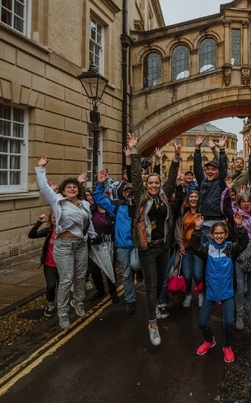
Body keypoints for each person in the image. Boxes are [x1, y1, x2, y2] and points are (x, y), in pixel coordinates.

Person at [127, 134, 180, 346]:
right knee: (150, 285)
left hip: (163, 247)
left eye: (157, 182)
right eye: (151, 182)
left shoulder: (165, 195)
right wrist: (133, 150)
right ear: (146, 184)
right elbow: (134, 175)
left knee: (160, 283)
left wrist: (176, 157)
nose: (155, 185)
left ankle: (157, 303)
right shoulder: (141, 195)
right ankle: (152, 324)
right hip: (147, 248)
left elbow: (172, 179)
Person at [35, 155, 96, 329]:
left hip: (81, 245)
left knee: (80, 276)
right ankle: (62, 312)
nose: (72, 189)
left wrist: (93, 237)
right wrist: (41, 168)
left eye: (75, 187)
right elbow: (45, 188)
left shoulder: (84, 204)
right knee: (67, 279)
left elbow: (88, 222)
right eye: (69, 187)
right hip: (64, 246)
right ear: (63, 191)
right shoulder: (58, 202)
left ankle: (78, 302)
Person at [190, 213, 248, 363]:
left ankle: (227, 345)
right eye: (216, 233)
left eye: (222, 233)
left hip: (227, 292)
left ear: (226, 234)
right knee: (202, 323)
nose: (219, 236)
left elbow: (243, 243)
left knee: (229, 323)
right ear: (211, 234)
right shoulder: (207, 248)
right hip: (210, 292)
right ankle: (209, 340)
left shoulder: (230, 248)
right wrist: (197, 228)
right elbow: (195, 246)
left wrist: (240, 226)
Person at [222, 176, 251, 330]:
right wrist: (228, 190)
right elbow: (225, 207)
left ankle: (250, 311)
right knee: (240, 288)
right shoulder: (235, 216)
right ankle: (239, 314)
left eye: (248, 201)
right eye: (243, 202)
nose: (246, 204)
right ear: (239, 204)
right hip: (240, 255)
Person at [93, 170, 138, 315]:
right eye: (127, 191)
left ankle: (140, 272)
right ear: (123, 193)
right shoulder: (117, 206)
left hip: (138, 245)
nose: (129, 193)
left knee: (135, 264)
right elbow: (99, 199)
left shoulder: (141, 206)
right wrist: (100, 184)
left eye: (132, 191)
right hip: (123, 245)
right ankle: (130, 300)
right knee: (125, 274)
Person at [174, 189, 205, 308]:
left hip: (198, 248)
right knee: (187, 275)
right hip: (186, 248)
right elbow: (178, 229)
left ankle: (201, 293)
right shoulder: (183, 211)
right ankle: (188, 294)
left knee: (197, 274)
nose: (193, 199)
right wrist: (181, 245)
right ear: (188, 199)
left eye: (196, 197)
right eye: (191, 196)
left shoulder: (202, 212)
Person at [28, 212, 58, 317]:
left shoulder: (67, 231)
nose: (56, 219)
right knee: (51, 285)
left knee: (63, 287)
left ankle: (63, 305)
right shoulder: (48, 231)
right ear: (50, 219)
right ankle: (50, 305)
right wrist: (38, 223)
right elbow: (31, 235)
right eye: (54, 217)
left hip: (64, 264)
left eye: (58, 217)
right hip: (49, 264)